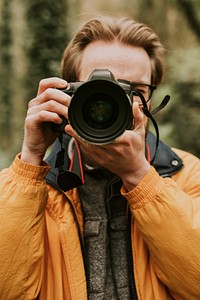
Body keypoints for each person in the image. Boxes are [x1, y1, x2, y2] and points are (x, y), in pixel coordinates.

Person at [0, 15, 199, 300]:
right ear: (66, 94)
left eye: (135, 91)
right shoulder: (30, 187)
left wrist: (140, 177)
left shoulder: (189, 175)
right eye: (97, 89)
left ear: (151, 102)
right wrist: (31, 158)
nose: (115, 103)